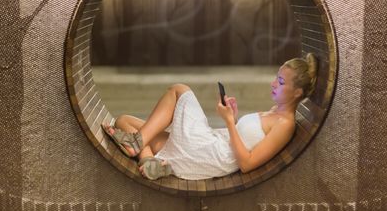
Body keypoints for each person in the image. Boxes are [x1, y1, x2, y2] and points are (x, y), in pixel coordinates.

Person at [102, 53, 317, 180]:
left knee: (179, 90)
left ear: (297, 92)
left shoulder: (285, 124)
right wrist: (234, 116)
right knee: (124, 121)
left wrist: (230, 122)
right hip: (214, 140)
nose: (273, 84)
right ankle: (149, 162)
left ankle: (137, 145)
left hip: (212, 154)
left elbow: (247, 163)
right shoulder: (274, 111)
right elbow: (246, 138)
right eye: (276, 78)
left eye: (280, 82)